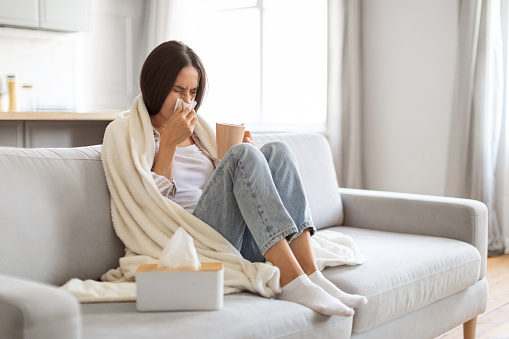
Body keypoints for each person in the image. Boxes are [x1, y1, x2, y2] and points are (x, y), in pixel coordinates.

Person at [139, 40, 367, 316]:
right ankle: (291, 281)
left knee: (277, 152)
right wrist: (168, 145)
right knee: (242, 156)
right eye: (178, 90)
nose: (187, 101)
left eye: (192, 92)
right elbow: (149, 206)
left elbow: (220, 190)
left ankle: (309, 272)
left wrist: (252, 162)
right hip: (193, 240)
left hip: (232, 235)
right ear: (156, 84)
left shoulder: (199, 132)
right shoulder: (135, 134)